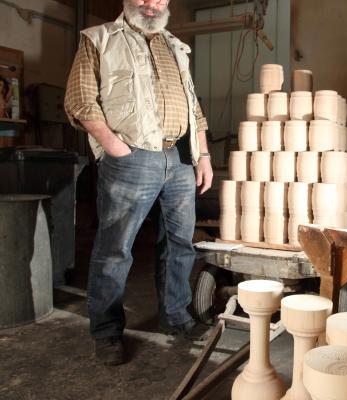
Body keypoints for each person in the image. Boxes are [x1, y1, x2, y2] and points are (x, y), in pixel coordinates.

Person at [64, 0, 213, 366]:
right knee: (116, 249)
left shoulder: (175, 46)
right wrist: (114, 146)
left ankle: (176, 318)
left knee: (180, 245)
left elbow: (194, 107)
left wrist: (203, 155)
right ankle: (107, 331)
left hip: (179, 158)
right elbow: (81, 100)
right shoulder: (99, 39)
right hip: (131, 157)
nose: (152, 5)